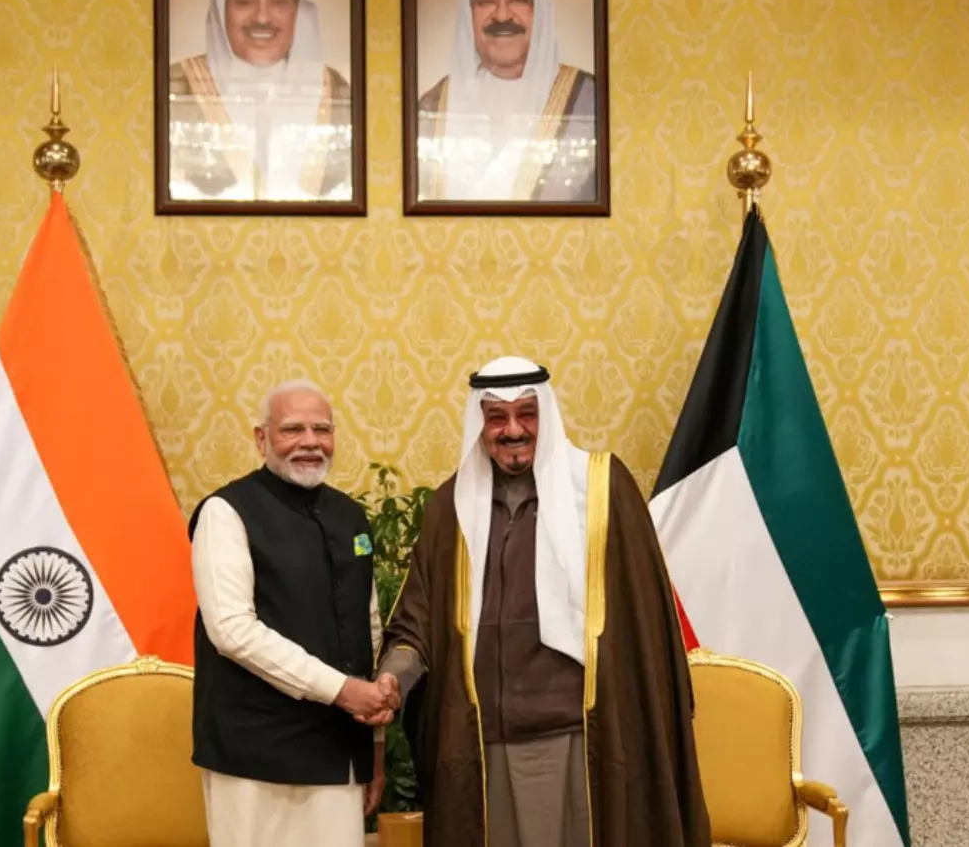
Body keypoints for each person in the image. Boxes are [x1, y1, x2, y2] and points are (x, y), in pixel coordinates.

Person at [375, 356, 710, 847]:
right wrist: (393, 679)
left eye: (526, 414)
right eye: (497, 417)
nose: (513, 430)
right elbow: (416, 624)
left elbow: (644, 620)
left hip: (580, 737)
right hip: (481, 743)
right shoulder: (451, 506)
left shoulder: (601, 491)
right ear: (479, 423)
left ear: (546, 416)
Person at [189, 380, 395, 847]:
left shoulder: (350, 517)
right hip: (254, 756)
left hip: (339, 753)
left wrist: (374, 751)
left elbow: (367, 632)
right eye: (292, 429)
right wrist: (342, 691)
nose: (310, 441)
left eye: (322, 429)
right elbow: (232, 631)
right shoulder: (225, 512)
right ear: (261, 439)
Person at [166, 0, 355, 202]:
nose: (262, 17)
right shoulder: (178, 83)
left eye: (279, 2)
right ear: (222, 10)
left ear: (298, 12)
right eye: (244, 1)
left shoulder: (333, 88)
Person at [415, 0, 599, 203]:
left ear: (540, 12)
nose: (502, 15)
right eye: (485, 1)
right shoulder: (432, 107)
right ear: (469, 15)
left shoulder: (589, 99)